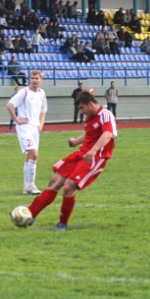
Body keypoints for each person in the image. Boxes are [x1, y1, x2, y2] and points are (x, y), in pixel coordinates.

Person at [23, 90, 117, 231]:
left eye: (82, 108)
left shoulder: (105, 115)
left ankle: (62, 223)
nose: (81, 112)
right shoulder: (89, 118)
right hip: (81, 154)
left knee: (68, 186)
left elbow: (108, 134)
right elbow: (90, 133)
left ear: (91, 104)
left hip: (96, 157)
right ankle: (29, 214)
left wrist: (93, 151)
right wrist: (75, 141)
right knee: (54, 181)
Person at [6, 70, 48, 195]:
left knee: (30, 156)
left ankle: (27, 186)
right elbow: (10, 105)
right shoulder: (24, 92)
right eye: (32, 78)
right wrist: (17, 120)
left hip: (35, 128)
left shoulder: (42, 93)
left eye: (36, 78)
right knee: (34, 154)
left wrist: (41, 124)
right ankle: (31, 185)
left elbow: (43, 110)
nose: (34, 80)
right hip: (24, 127)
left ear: (41, 80)